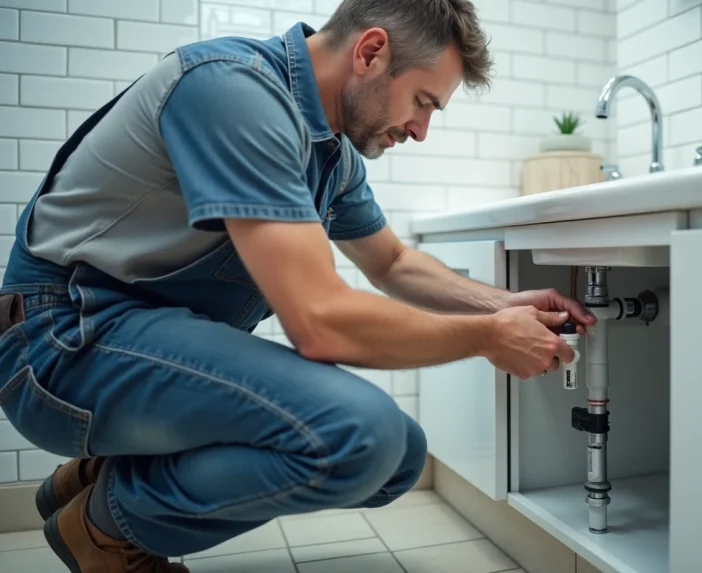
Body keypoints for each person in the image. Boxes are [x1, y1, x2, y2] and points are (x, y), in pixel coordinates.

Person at [0, 0, 595, 571]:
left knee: (400, 457)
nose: (421, 130)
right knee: (360, 437)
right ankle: (106, 528)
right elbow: (320, 323)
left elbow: (392, 263)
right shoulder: (233, 90)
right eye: (422, 101)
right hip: (59, 340)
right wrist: (488, 337)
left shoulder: (331, 154)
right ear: (370, 52)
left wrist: (503, 303)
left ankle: (99, 479)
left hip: (134, 339)